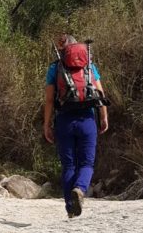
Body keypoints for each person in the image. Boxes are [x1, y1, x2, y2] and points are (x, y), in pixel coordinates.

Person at [43, 35, 109, 218]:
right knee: (86, 163)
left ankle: (70, 209)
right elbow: (100, 93)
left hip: (64, 121)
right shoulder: (89, 67)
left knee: (69, 165)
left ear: (64, 50)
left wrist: (46, 124)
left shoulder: (55, 68)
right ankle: (80, 189)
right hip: (87, 120)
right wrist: (103, 116)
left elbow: (49, 100)